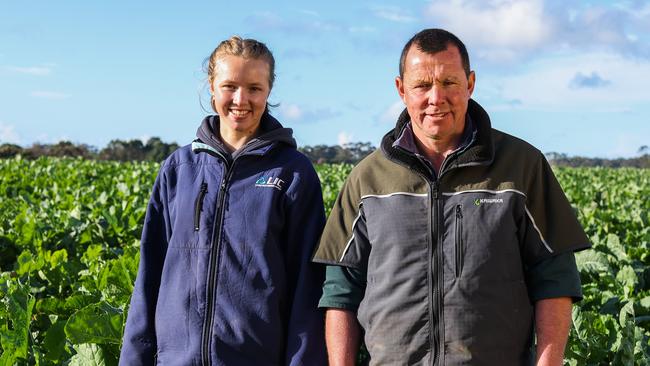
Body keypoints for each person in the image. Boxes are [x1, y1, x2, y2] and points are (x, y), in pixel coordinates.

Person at [313, 28, 590, 366]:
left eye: (449, 83)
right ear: (401, 90)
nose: (436, 97)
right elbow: (341, 291)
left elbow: (555, 277)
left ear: (470, 83)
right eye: (421, 85)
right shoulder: (367, 178)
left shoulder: (521, 166)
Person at [119, 36, 327, 365]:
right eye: (229, 86)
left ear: (268, 91)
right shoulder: (179, 170)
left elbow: (308, 291)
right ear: (212, 88)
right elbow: (149, 279)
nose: (240, 100)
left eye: (254, 88)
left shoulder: (292, 173)